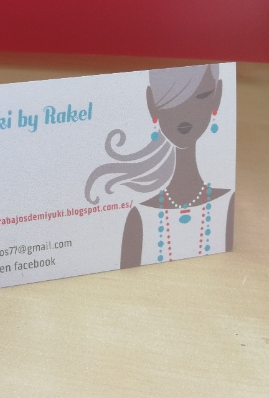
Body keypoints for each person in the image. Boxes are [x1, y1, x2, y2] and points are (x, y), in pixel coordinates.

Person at [84, 64, 234, 269]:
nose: (185, 112)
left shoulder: (226, 205)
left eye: (201, 97)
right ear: (151, 103)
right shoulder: (140, 216)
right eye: (171, 100)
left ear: (217, 96)